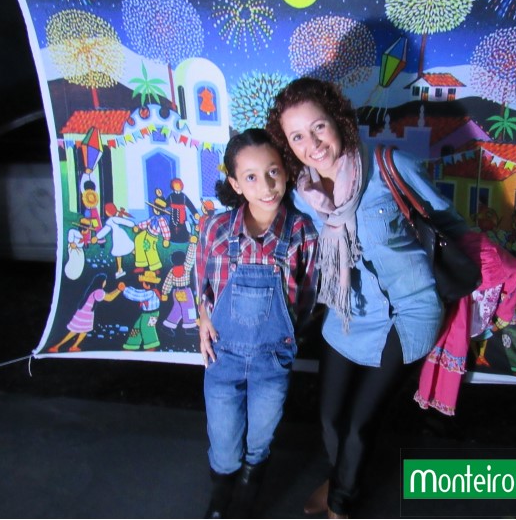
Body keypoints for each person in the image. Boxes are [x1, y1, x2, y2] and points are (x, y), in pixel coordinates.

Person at [266, 77, 470, 518]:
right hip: (349, 312)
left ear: (338, 118)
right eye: (297, 137)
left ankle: (342, 503)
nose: (312, 145)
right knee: (330, 419)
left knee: (359, 424)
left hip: (409, 310)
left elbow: (451, 224)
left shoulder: (389, 165)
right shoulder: (304, 194)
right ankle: (341, 475)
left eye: (318, 127)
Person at [196, 128, 319, 518]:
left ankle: (249, 494)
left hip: (272, 361)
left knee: (260, 438)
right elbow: (200, 280)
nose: (266, 186)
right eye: (250, 177)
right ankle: (221, 496)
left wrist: (288, 334)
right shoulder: (215, 229)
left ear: (286, 171)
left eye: (273, 172)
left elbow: (309, 296)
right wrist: (202, 314)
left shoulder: (302, 232)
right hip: (223, 357)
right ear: (235, 183)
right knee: (223, 439)